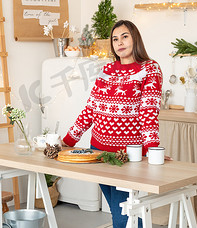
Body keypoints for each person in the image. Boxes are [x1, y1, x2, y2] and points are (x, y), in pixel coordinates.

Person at [62, 20, 164, 228]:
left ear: (135, 38)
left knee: (124, 214)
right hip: (97, 152)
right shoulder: (107, 69)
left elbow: (149, 112)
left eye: (125, 36)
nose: (120, 42)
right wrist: (68, 141)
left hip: (126, 155)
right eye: (115, 39)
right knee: (122, 211)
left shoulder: (150, 69)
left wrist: (152, 150)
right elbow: (91, 109)